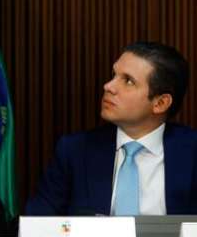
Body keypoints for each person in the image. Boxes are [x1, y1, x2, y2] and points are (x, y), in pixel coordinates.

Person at [26, 41, 197, 215]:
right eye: (114, 75)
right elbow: (36, 224)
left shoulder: (192, 153)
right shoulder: (74, 151)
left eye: (128, 81)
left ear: (160, 103)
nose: (109, 86)